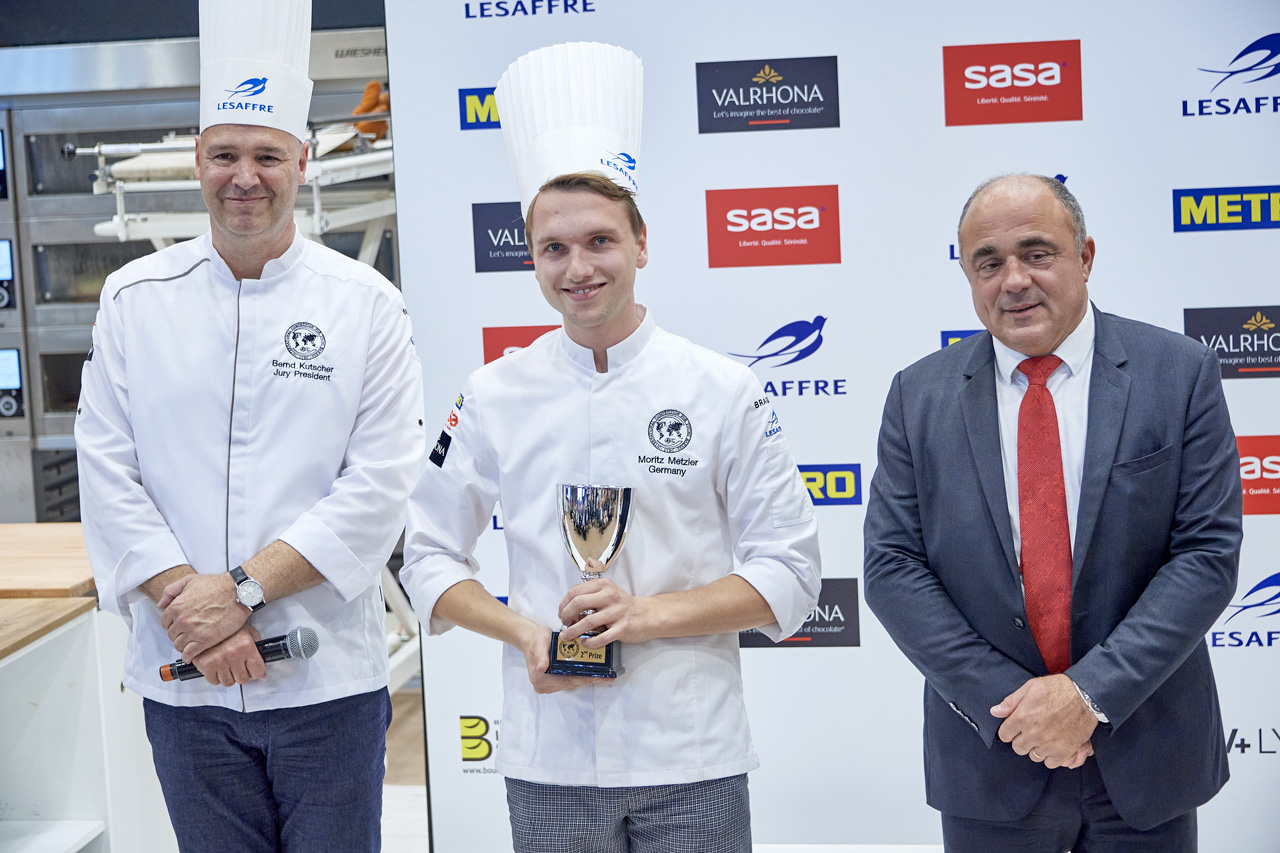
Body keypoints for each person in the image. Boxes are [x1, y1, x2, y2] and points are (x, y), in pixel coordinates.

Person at [400, 41, 820, 853]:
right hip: (548, 754)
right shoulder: (492, 393)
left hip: (690, 752)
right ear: (531, 257)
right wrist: (525, 633)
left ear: (641, 243)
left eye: (599, 241)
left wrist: (645, 614)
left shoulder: (721, 388)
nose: (578, 267)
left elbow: (792, 572)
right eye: (554, 248)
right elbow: (427, 557)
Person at [74, 1, 425, 849]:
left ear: (302, 161)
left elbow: (379, 487)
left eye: (267, 156)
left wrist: (236, 593)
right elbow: (106, 468)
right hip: (184, 676)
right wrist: (191, 609)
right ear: (198, 157)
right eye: (225, 154)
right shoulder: (133, 299)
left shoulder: (367, 306)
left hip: (323, 683)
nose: (245, 177)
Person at [863, 173, 1242, 851]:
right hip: (993, 758)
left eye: (1037, 254)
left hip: (1145, 754)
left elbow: (1206, 555)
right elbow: (893, 567)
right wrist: (1019, 710)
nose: (1014, 280)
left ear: (1085, 257)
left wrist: (1087, 695)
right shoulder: (917, 395)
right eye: (988, 263)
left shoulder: (1179, 372)